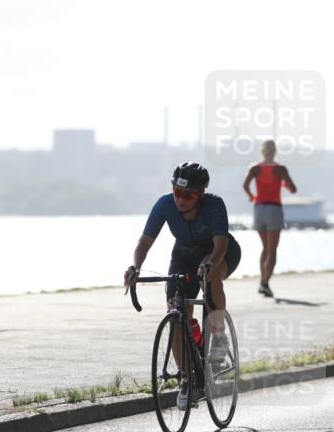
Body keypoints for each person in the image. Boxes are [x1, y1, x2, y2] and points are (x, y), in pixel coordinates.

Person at [124, 162, 241, 409]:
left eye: (188, 195)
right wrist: (135, 267)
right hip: (184, 254)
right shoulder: (164, 204)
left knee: (209, 276)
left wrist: (210, 263)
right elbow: (144, 242)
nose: (181, 200)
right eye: (177, 192)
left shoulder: (215, 204)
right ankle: (188, 378)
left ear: (200, 194)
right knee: (175, 313)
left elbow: (220, 245)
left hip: (219, 251)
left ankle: (218, 336)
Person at [242, 140, 297, 297]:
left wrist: (252, 196)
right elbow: (293, 189)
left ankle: (262, 281)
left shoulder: (255, 168)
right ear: (275, 151)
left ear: (262, 151)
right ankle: (265, 283)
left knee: (265, 248)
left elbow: (245, 185)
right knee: (272, 251)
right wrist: (283, 184)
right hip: (274, 209)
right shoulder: (280, 169)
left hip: (259, 209)